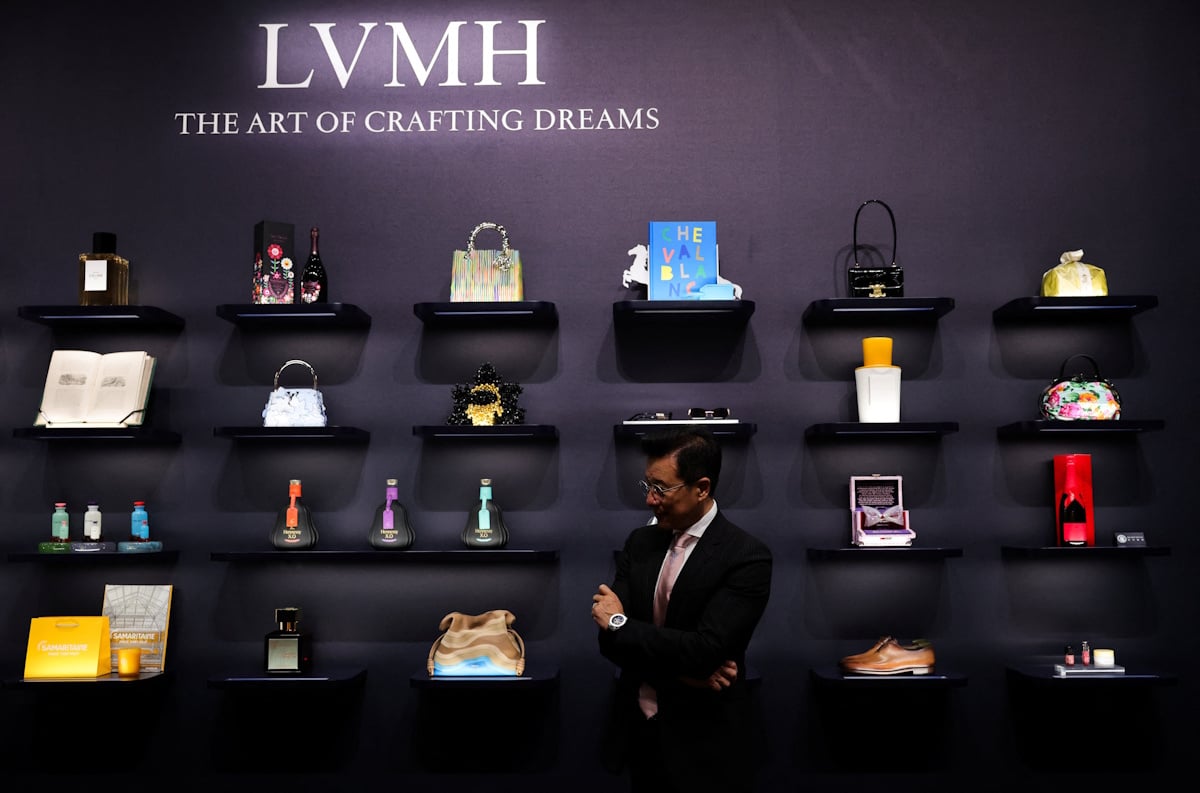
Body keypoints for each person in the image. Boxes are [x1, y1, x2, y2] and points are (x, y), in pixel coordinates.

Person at [592, 427, 773, 793]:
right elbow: (608, 643)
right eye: (647, 486)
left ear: (701, 488)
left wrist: (619, 623)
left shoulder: (746, 556)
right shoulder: (640, 542)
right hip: (639, 732)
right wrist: (687, 675)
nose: (650, 500)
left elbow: (705, 651)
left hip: (703, 742)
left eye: (661, 489)